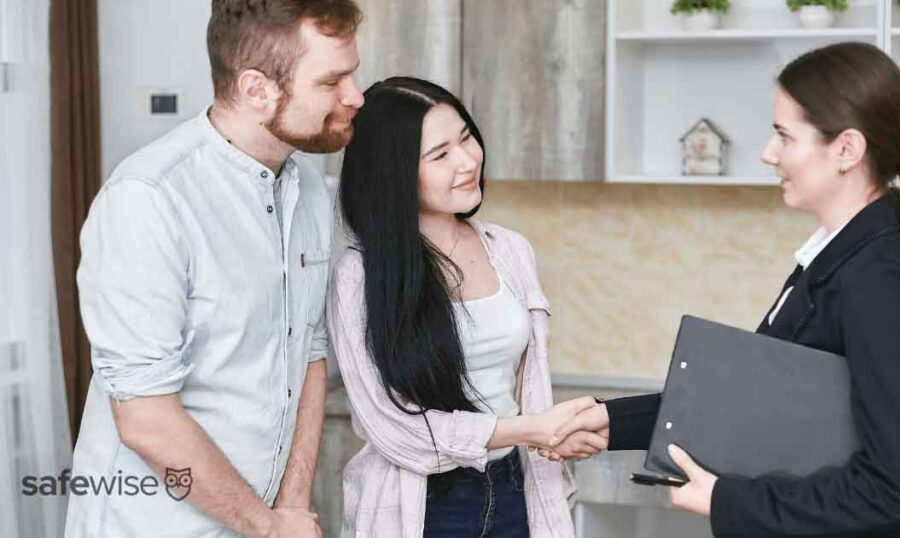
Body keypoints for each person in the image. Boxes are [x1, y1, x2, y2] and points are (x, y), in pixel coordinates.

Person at [545, 42, 900, 538]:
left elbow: (891, 491)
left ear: (847, 148)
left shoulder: (878, 279)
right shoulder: (835, 259)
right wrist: (610, 421)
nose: (767, 152)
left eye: (784, 135)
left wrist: (725, 498)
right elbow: (761, 405)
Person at [66, 1, 364, 536]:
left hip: (264, 519)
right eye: (332, 81)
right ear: (256, 89)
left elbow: (310, 351)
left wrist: (290, 503)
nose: (355, 96)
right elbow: (145, 420)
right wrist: (268, 526)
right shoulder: (149, 198)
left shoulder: (311, 189)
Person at [328, 76, 601, 537]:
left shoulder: (511, 250)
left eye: (466, 138)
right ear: (393, 173)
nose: (468, 160)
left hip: (516, 489)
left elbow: (528, 385)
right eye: (440, 155)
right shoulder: (361, 276)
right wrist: (531, 429)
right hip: (424, 505)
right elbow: (395, 430)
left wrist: (546, 430)